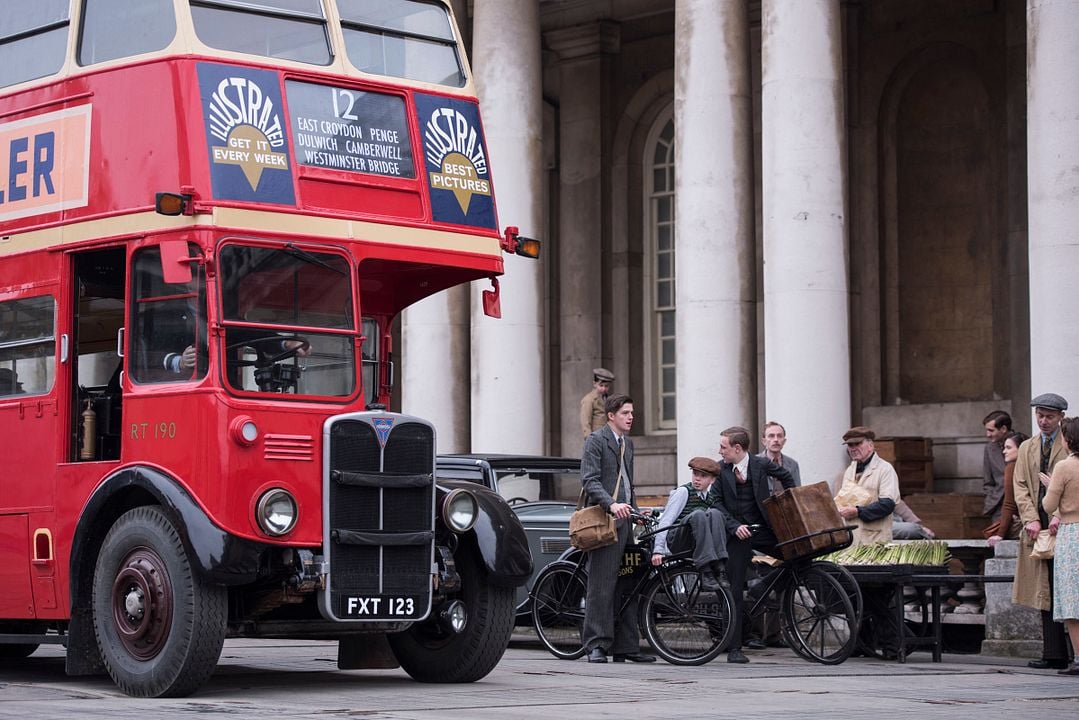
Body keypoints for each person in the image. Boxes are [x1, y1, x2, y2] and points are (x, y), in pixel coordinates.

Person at [579, 394, 654, 664]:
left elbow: (628, 484)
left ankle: (626, 646)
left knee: (628, 582)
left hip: (625, 523)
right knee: (601, 585)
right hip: (604, 521)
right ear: (611, 415)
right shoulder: (595, 441)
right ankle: (596, 645)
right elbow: (589, 480)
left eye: (631, 412)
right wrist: (611, 505)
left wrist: (635, 512)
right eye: (625, 413)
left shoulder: (628, 444)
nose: (631, 417)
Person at [713, 425, 796, 663]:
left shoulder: (760, 465)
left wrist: (787, 503)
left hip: (761, 529)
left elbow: (786, 477)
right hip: (736, 534)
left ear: (737, 448)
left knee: (795, 556)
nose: (720, 451)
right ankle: (735, 648)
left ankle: (762, 591)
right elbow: (716, 502)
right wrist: (733, 526)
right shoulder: (721, 470)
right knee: (735, 588)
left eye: (723, 447)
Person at [1014, 393, 1071, 670]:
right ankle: (1053, 652)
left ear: (1061, 417)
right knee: (1043, 589)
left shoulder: (1070, 443)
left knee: (1067, 589)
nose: (1043, 421)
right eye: (1040, 415)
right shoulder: (1027, 447)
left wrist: (1058, 514)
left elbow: (1072, 486)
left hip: (1066, 526)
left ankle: (1071, 651)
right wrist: (1030, 519)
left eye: (1049, 416)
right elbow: (1020, 486)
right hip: (1038, 529)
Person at [650, 456, 729, 591]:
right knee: (699, 514)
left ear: (712, 480)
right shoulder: (683, 492)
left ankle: (719, 566)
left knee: (716, 514)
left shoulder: (710, 498)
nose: (697, 479)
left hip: (693, 542)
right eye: (695, 474)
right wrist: (658, 550)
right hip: (677, 540)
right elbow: (666, 520)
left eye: (703, 476)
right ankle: (706, 571)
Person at [1041, 415, 1079, 675]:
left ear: (1068, 440)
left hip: (1072, 532)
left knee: (1073, 601)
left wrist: (1049, 484)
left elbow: (1048, 506)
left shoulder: (1066, 466)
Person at [834, 426, 900, 545]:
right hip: (852, 540)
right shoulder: (850, 470)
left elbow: (887, 505)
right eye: (850, 445)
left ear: (870, 446)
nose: (853, 448)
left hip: (876, 540)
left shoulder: (885, 469)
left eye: (857, 444)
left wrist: (857, 512)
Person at [984, 430, 1027, 545]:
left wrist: (1000, 534)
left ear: (1021, 449)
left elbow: (1009, 503)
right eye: (1004, 447)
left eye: (1008, 448)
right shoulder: (1029, 466)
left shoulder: (1012, 467)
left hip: (1021, 526)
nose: (1004, 451)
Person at [982, 410, 1013, 520]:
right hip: (997, 508)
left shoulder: (1023, 443)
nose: (988, 435)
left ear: (1003, 429)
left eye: (991, 430)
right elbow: (988, 481)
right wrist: (991, 498)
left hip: (1018, 506)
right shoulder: (989, 448)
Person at [758, 421, 802, 495]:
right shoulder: (755, 462)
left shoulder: (793, 464)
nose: (776, 440)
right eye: (771, 436)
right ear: (764, 441)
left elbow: (797, 492)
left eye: (779, 436)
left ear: (784, 441)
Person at [579, 367, 614, 438]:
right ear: (594, 384)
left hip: (608, 436)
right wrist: (589, 439)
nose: (604, 388)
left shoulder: (608, 399)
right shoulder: (589, 399)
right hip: (596, 437)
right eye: (601, 385)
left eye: (606, 386)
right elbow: (585, 422)